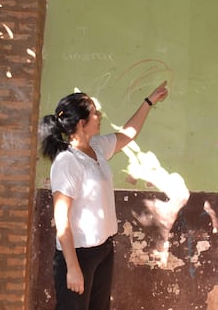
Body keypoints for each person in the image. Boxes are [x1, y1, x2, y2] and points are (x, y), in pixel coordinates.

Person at [40, 81, 169, 310]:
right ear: (82, 123)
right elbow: (62, 220)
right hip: (78, 255)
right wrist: (72, 267)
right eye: (94, 112)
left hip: (103, 250)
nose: (99, 115)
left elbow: (127, 134)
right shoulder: (67, 161)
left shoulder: (97, 148)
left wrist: (149, 101)